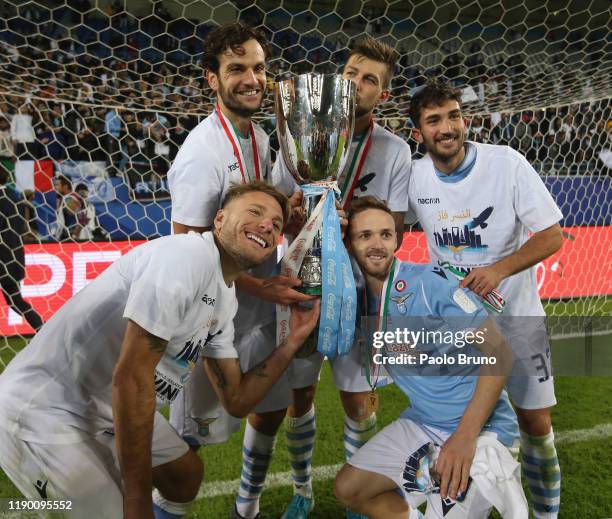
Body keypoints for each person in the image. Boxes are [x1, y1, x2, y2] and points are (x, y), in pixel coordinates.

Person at [0, 182, 320, 519]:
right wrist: (137, 501)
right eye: (255, 212)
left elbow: (237, 399)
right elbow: (131, 378)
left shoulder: (224, 298)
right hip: (43, 411)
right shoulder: (184, 256)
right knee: (111, 511)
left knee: (184, 476)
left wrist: (293, 340)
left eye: (276, 224)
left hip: (103, 408)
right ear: (220, 219)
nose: (267, 225)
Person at [240, 36, 412, 519]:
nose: (358, 84)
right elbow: (276, 208)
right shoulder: (298, 129)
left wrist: (351, 223)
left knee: (359, 403)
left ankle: (358, 500)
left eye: (371, 80)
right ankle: (302, 489)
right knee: (299, 395)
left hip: (358, 293)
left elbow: (394, 231)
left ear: (383, 95)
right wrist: (293, 214)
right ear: (340, 77)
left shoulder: (394, 151)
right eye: (353, 73)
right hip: (300, 282)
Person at [166, 22, 317, 519]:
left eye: (258, 68)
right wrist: (260, 286)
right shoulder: (201, 153)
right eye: (237, 69)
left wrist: (291, 218)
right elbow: (187, 252)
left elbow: (262, 221)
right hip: (210, 317)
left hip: (258, 308)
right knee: (189, 442)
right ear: (212, 78)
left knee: (269, 408)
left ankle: (246, 509)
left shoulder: (260, 137)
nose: (251, 79)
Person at [406, 78, 563, 518]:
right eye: (434, 120)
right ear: (419, 133)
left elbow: (552, 236)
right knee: (455, 427)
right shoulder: (415, 176)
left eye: (453, 115)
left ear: (465, 118)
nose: (447, 127)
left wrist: (497, 270)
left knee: (537, 426)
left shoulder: (507, 163)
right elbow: (387, 224)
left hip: (520, 321)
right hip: (462, 331)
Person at [334, 196, 526, 519]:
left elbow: (501, 353)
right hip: (425, 422)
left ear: (397, 238)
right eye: (364, 236)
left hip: (481, 429)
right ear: (349, 243)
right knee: (348, 488)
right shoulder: (356, 300)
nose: (377, 244)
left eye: (385, 234)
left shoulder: (430, 285)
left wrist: (464, 439)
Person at [0, 165, 43, 332]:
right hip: (15, 258)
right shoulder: (16, 199)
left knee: (15, 302)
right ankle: (43, 329)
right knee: (16, 302)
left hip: (2, 259)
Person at [53, 174, 88, 241]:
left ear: (65, 186)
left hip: (71, 239)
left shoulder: (69, 199)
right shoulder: (67, 198)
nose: (55, 187)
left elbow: (83, 219)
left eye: (57, 185)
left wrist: (74, 236)